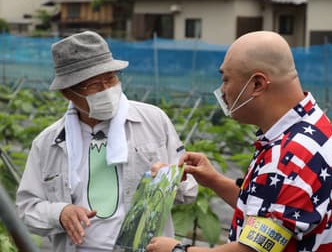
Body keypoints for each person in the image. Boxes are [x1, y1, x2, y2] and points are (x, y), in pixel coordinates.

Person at [146, 31, 332, 252]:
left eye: (226, 79)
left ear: (257, 84)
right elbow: (272, 209)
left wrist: (177, 250)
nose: (223, 90)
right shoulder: (313, 124)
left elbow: (252, 250)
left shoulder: (290, 157)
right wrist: (215, 181)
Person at [15, 30, 197, 251]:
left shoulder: (153, 121)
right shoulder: (48, 143)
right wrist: (60, 213)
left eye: (110, 79)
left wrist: (170, 178)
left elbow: (188, 191)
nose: (106, 90)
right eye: (93, 85)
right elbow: (26, 208)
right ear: (68, 93)